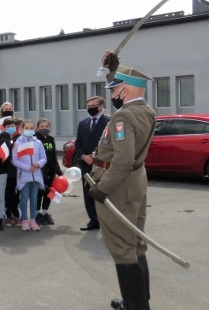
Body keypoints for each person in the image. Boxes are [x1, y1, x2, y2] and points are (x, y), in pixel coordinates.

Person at [89, 65, 156, 310]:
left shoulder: (122, 117)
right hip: (135, 182)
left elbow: (123, 160)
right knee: (136, 245)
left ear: (124, 91)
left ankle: (134, 306)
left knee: (122, 247)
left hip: (119, 186)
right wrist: (112, 70)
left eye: (114, 89)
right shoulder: (145, 109)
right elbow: (130, 159)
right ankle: (139, 300)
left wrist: (102, 188)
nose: (112, 94)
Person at [75, 96, 110, 231]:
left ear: (100, 106)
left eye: (92, 106)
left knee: (102, 191)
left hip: (101, 164)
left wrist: (95, 156)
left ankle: (106, 221)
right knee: (88, 192)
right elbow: (78, 143)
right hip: (86, 164)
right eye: (88, 106)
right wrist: (83, 156)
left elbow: (108, 142)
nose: (90, 109)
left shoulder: (109, 122)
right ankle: (93, 220)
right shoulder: (83, 123)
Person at [12, 120, 47, 231]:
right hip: (24, 175)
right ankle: (24, 220)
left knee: (34, 198)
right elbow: (14, 160)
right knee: (24, 198)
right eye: (26, 128)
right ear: (21, 129)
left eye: (31, 128)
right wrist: (28, 167)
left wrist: (38, 164)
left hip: (36, 175)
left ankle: (33, 219)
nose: (29, 130)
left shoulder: (38, 142)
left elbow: (44, 158)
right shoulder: (18, 143)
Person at [34, 118, 62, 225]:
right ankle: (36, 214)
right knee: (39, 193)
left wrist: (59, 172)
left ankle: (45, 212)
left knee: (49, 193)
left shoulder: (51, 139)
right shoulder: (35, 139)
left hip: (51, 171)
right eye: (42, 126)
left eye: (46, 126)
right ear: (37, 128)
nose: (44, 128)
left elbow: (54, 156)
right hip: (39, 171)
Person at [2, 118, 21, 227]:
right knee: (7, 194)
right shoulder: (2, 139)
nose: (11, 128)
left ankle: (16, 215)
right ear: (4, 128)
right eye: (8, 126)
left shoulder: (19, 139)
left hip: (17, 171)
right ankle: (8, 215)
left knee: (16, 194)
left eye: (12, 126)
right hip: (6, 172)